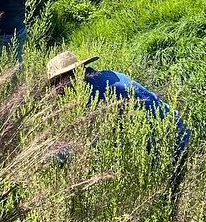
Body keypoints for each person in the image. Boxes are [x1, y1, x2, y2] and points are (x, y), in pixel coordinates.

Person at [46, 52, 191, 161]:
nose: (56, 89)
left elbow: (91, 142)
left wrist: (56, 157)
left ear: (71, 74)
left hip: (169, 139)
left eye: (57, 82)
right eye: (53, 84)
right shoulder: (101, 76)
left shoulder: (95, 93)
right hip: (172, 127)